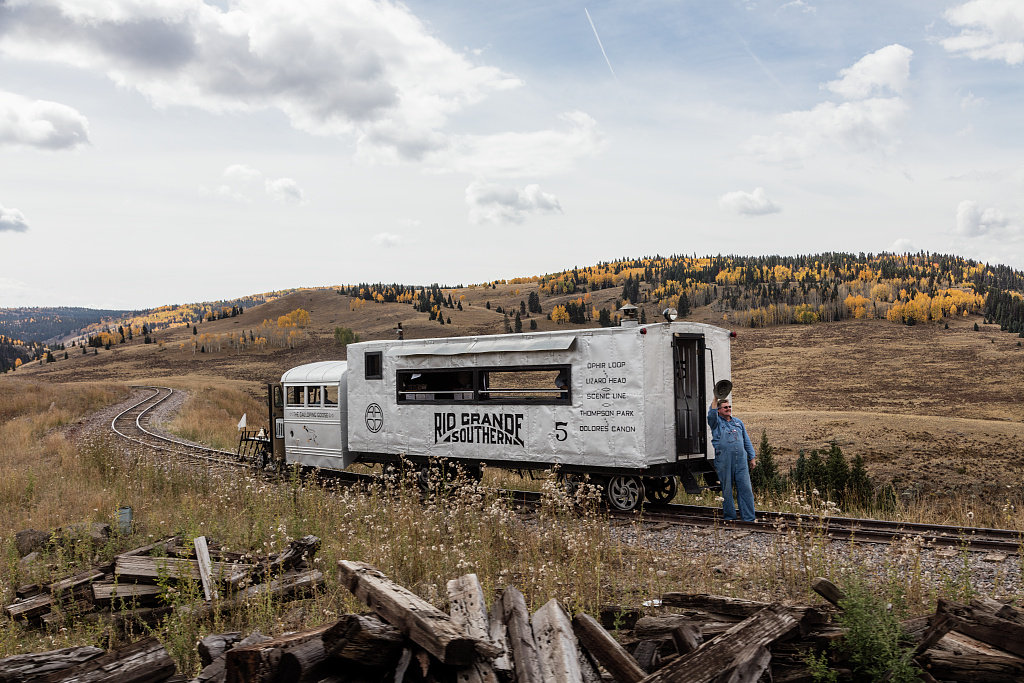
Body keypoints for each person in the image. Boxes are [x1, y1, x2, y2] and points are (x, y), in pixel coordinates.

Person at [707, 397, 757, 522]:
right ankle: (730, 518)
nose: (728, 409)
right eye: (725, 407)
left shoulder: (738, 422)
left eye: (729, 407)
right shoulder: (716, 422)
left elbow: (746, 440)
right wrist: (715, 398)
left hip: (741, 460)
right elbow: (711, 414)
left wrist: (752, 457)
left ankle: (749, 518)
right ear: (719, 410)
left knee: (745, 488)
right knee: (727, 489)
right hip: (724, 460)